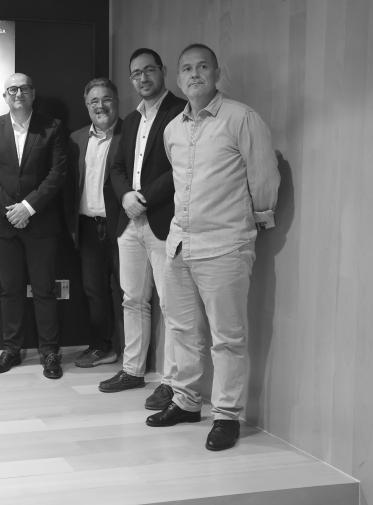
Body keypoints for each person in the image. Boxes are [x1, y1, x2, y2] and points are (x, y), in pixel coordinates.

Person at [146, 44, 280, 452]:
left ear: (217, 73)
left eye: (202, 66)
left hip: (225, 244)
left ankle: (226, 415)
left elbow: (263, 175)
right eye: (187, 68)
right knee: (182, 329)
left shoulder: (241, 118)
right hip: (179, 244)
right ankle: (187, 401)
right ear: (178, 77)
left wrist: (259, 219)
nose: (195, 74)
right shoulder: (172, 129)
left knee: (227, 337)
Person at [99, 48, 187, 411]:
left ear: (162, 71)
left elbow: (181, 166)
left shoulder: (180, 111)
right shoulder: (132, 119)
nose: (143, 78)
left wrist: (144, 199)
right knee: (132, 299)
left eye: (149, 70)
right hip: (129, 222)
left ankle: (172, 382)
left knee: (171, 304)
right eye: (136, 73)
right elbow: (116, 167)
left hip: (163, 219)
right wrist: (125, 197)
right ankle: (133, 370)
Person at [0, 73, 67, 379]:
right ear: (5, 95)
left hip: (41, 222)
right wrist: (12, 210)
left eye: (24, 88)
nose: (18, 93)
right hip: (3, 224)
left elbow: (57, 173)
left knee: (45, 290)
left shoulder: (52, 127)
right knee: (10, 290)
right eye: (12, 89)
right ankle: (11, 350)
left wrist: (27, 207)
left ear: (33, 93)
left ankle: (50, 352)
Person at [64, 78, 124, 370]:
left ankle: (135, 354)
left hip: (123, 225)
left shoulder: (130, 134)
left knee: (129, 291)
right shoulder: (75, 139)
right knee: (94, 290)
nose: (101, 106)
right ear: (86, 105)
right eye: (94, 101)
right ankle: (103, 347)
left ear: (116, 100)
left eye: (106, 99)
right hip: (88, 227)